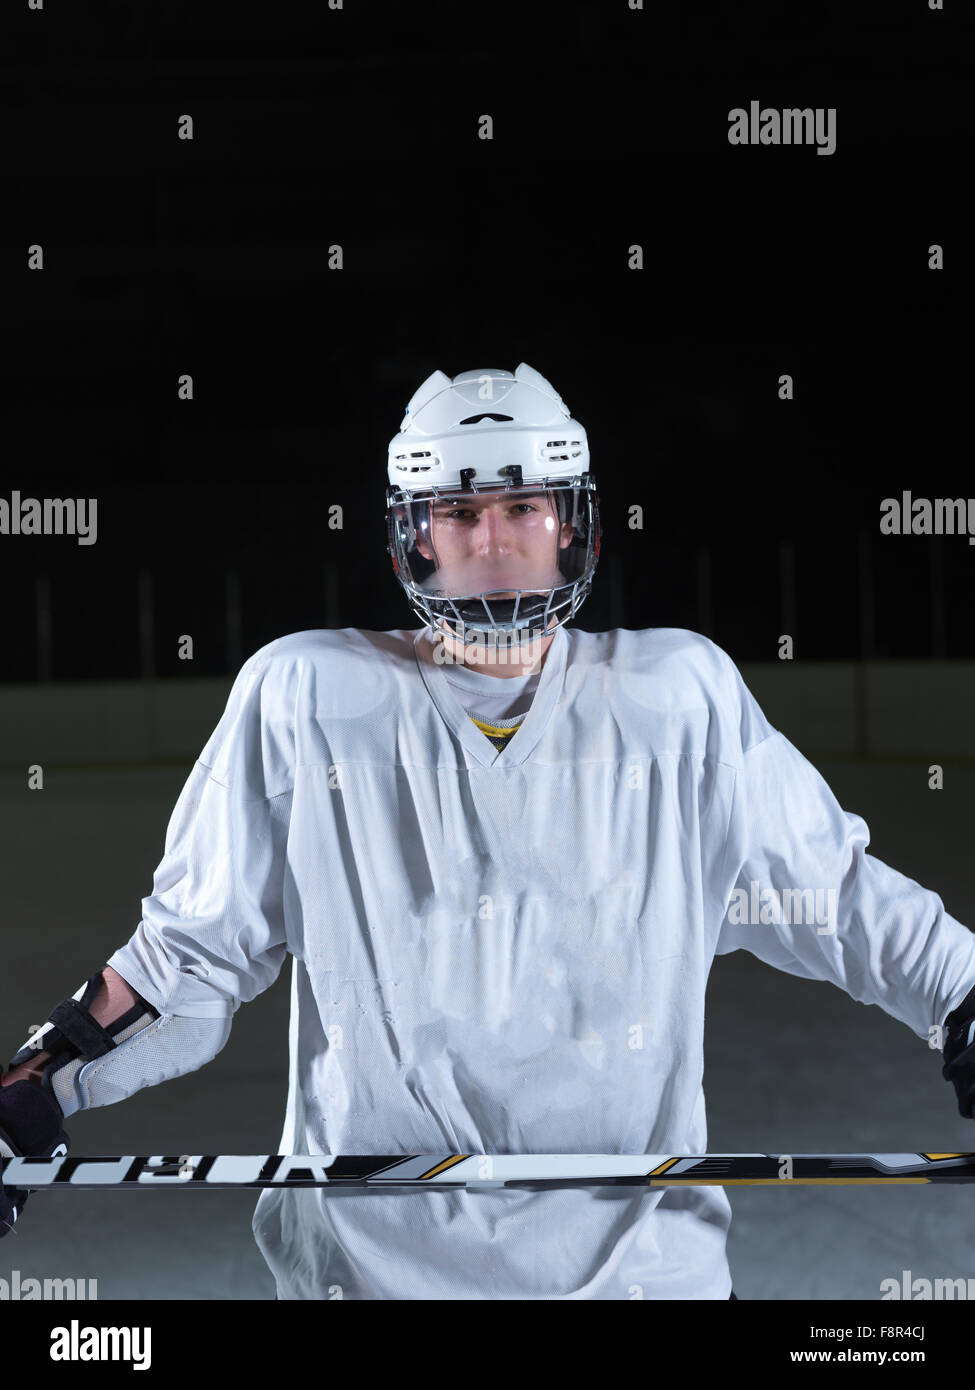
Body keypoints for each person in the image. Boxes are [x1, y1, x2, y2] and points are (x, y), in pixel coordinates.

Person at [3, 361, 975, 1302]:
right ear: (415, 535)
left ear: (571, 523)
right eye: (460, 511)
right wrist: (40, 1085)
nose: (495, 539)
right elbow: (187, 959)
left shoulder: (680, 702)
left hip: (644, 1275)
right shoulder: (305, 698)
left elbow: (838, 900)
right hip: (374, 1273)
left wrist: (965, 999)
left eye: (525, 506)